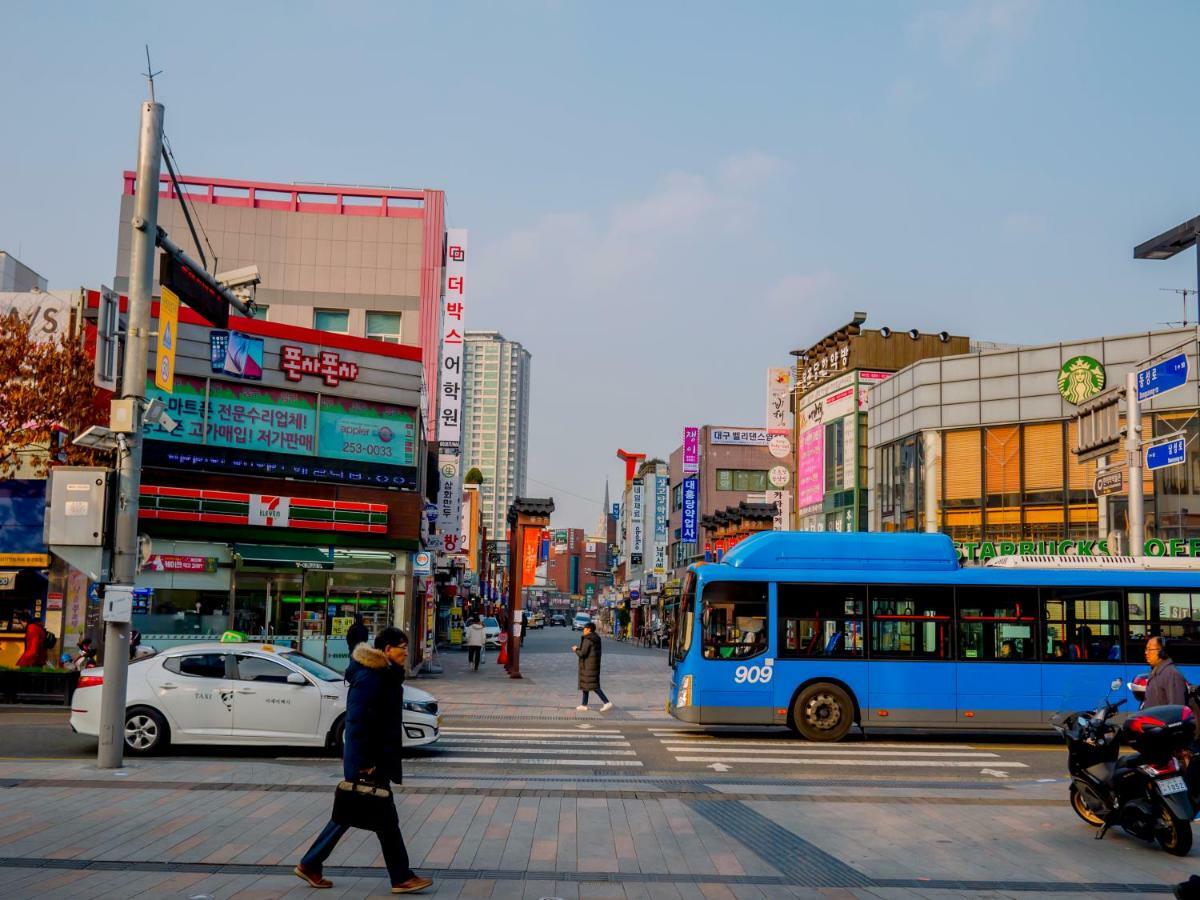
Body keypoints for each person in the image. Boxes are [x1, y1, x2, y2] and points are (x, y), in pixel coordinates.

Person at [296, 628, 432, 894]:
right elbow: (357, 722)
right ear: (385, 650)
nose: (406, 651)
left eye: (406, 646)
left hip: (373, 758)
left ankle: (311, 863)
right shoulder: (373, 677)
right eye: (400, 647)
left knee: (352, 814)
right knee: (381, 820)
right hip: (370, 760)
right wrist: (365, 761)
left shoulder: (384, 674)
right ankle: (401, 877)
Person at [573, 621, 612, 712]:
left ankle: (606, 702)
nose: (583, 630)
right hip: (593, 664)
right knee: (586, 685)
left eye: (585, 629)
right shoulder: (595, 638)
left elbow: (582, 653)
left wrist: (576, 649)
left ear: (589, 629)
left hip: (588, 666)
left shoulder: (588, 639)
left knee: (594, 686)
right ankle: (583, 704)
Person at [1144, 636, 1188, 707]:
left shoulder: (1172, 674)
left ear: (1161, 652)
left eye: (1149, 649)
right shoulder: (1155, 671)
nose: (1146, 652)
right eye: (1146, 649)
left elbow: (1176, 709)